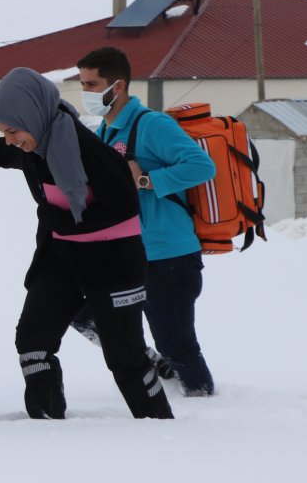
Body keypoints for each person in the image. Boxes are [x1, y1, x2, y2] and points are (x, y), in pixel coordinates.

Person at [0, 67, 172, 420]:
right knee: (33, 341)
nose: (10, 139)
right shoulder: (31, 148)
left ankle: (159, 429)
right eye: (4, 131)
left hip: (113, 264)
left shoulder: (91, 152)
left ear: (33, 114)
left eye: (13, 130)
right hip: (61, 260)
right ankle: (46, 427)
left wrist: (60, 220)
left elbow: (124, 208)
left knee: (125, 358)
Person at [70, 47, 217, 396]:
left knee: (177, 344)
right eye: (83, 84)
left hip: (168, 257)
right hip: (126, 254)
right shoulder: (107, 131)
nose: (85, 93)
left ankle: (203, 402)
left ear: (117, 86)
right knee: (81, 314)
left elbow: (201, 166)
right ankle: (154, 364)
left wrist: (147, 180)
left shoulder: (152, 125)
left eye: (92, 85)